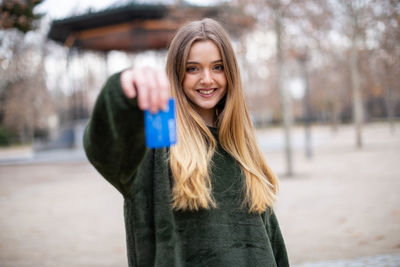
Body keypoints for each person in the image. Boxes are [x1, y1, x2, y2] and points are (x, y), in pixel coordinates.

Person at [84, 18, 289, 267]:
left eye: (218, 67)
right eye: (193, 68)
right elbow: (103, 149)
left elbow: (272, 244)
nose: (207, 79)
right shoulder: (157, 146)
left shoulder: (242, 147)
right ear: (177, 74)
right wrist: (122, 92)